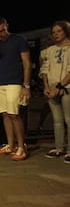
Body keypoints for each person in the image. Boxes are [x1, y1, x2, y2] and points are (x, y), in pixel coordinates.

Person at [0, 17, 31, 161]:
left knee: (14, 115)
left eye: (2, 30)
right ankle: (10, 144)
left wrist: (26, 85)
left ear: (7, 26)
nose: (0, 34)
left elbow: (26, 63)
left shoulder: (19, 40)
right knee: (5, 114)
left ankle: (21, 147)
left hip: (14, 81)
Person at [40, 20, 70, 163]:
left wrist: (59, 87)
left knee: (69, 119)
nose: (56, 34)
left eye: (59, 31)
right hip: (51, 88)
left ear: (66, 31)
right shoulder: (50, 50)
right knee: (57, 120)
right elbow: (44, 69)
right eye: (53, 32)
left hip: (66, 87)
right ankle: (59, 148)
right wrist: (46, 86)